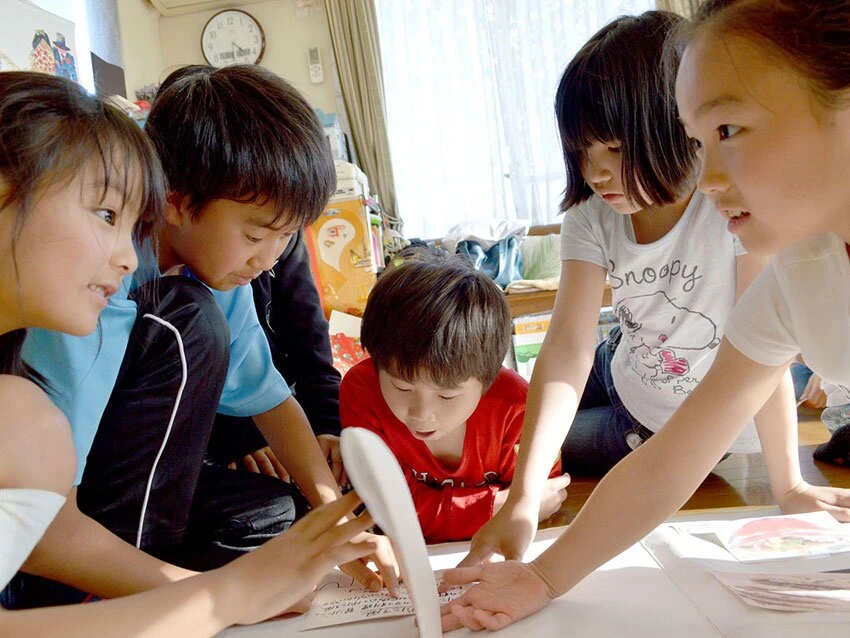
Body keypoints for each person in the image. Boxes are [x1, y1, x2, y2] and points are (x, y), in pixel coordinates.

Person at [439, 0, 850, 631]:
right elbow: (670, 458)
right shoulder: (797, 275)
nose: (707, 177)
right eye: (696, 140)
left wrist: (787, 480)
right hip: (630, 375)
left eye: (728, 131)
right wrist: (543, 573)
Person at [0, 70, 378, 635]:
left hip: (61, 501)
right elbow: (48, 524)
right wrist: (219, 597)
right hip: (69, 515)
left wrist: (334, 521)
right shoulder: (80, 317)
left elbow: (268, 394)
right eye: (107, 216)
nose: (127, 257)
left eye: (131, 225)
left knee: (267, 515)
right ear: (178, 202)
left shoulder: (210, 282)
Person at [340, 255, 568, 543]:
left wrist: (511, 507)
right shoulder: (362, 391)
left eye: (447, 395)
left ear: (488, 378)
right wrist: (497, 506)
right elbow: (385, 508)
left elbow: (546, 497)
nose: (421, 414)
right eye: (401, 387)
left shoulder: (517, 408)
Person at [207, 231, 347, 485]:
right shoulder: (206, 285)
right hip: (225, 423)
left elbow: (311, 340)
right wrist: (241, 434)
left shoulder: (284, 243)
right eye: (253, 236)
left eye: (287, 234)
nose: (267, 262)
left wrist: (330, 424)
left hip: (277, 402)